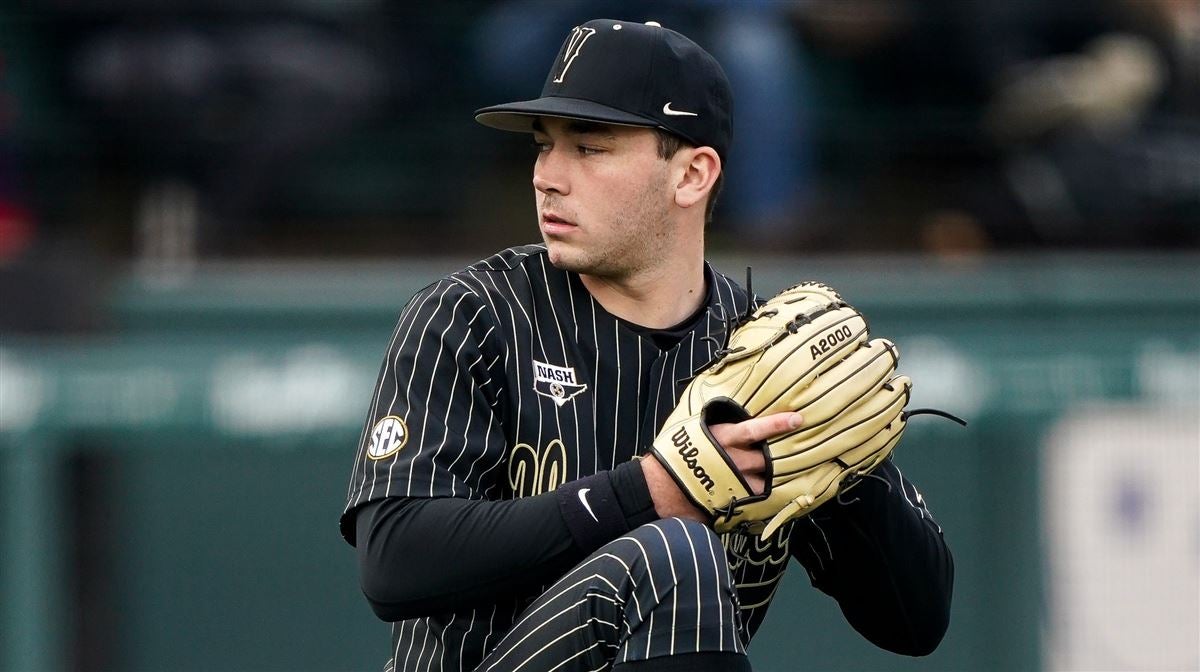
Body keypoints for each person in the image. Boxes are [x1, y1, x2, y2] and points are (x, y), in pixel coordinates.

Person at [340, 18, 953, 672]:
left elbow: (915, 622)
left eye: (590, 147)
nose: (548, 175)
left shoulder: (768, 361)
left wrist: (852, 480)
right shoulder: (472, 314)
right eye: (544, 146)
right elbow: (394, 560)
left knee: (675, 557)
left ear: (692, 175)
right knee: (673, 555)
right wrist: (650, 489)